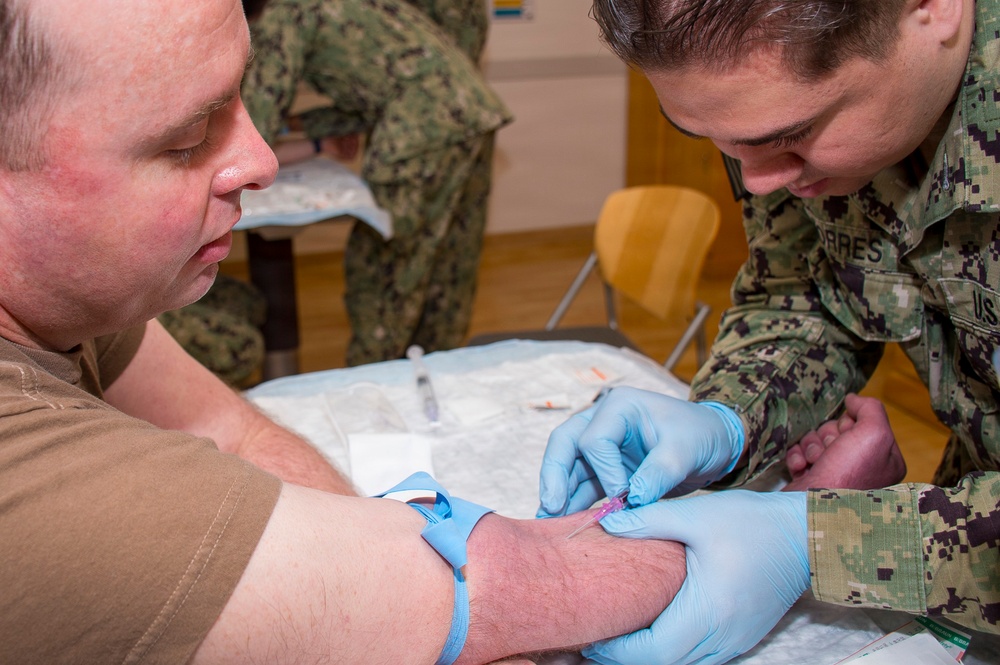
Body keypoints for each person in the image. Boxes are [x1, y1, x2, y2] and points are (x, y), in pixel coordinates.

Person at [0, 0, 697, 662]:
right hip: (459, 118)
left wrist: (411, 587)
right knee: (403, 280)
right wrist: (778, 533)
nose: (261, 160)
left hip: (427, 128)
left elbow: (231, 428)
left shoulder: (70, 301)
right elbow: (507, 590)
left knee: (411, 281)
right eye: (188, 136)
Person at [537, 1, 1000, 663]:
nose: (758, 181)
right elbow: (804, 292)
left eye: (795, 133)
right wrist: (730, 416)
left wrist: (817, 541)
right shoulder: (772, 111)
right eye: (720, 142)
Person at [241, 0, 513, 367]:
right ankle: (437, 374)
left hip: (418, 129)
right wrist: (308, 130)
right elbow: (376, 88)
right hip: (471, 112)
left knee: (384, 265)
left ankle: (372, 381)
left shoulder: (280, 16)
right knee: (447, 268)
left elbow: (256, 125)